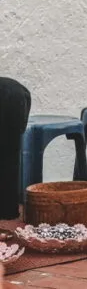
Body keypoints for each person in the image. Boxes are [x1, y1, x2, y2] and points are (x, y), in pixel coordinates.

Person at [0, 77, 31, 220]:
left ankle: (8, 210)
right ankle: (8, 210)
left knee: (8, 153)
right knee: (10, 153)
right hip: (16, 94)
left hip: (10, 95)